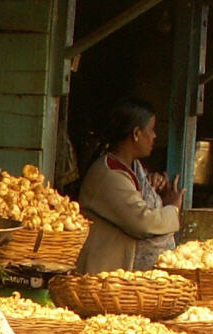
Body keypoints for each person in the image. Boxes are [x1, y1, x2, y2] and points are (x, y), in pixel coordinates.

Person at [74, 99, 182, 273]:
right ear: (136, 134)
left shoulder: (132, 168)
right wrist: (173, 208)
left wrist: (155, 190)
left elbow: (138, 195)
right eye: (151, 129)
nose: (155, 136)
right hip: (101, 276)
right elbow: (143, 223)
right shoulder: (109, 175)